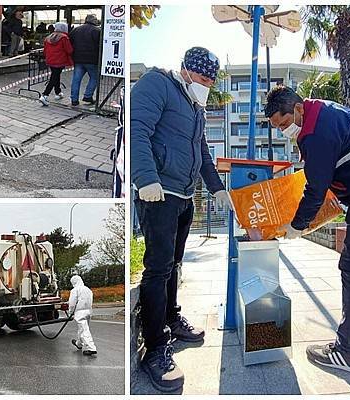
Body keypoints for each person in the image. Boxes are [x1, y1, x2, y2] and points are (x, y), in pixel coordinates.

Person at [264, 86, 350, 374]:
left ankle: (348, 352)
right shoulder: (323, 108)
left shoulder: (314, 132)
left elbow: (316, 188)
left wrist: (297, 225)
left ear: (297, 109)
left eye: (283, 124)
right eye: (277, 128)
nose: (284, 131)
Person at [131, 46, 231, 392]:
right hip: (158, 194)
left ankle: (171, 317)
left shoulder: (195, 105)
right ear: (188, 70)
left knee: (173, 265)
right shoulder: (156, 85)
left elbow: (201, 152)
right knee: (157, 268)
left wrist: (217, 189)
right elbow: (137, 130)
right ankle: (156, 349)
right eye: (204, 78)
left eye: (211, 81)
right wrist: (145, 178)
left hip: (184, 196)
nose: (207, 85)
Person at [68, 14, 101, 107]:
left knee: (76, 79)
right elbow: (101, 45)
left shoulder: (76, 30)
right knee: (94, 78)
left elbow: (69, 42)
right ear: (94, 21)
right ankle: (88, 96)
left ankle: (74, 100)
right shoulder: (97, 31)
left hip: (78, 59)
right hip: (92, 60)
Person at [39, 22, 73, 106]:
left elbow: (45, 51)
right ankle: (44, 95)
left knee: (56, 75)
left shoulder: (48, 37)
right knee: (54, 77)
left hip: (50, 60)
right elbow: (69, 50)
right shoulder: (64, 38)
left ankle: (58, 92)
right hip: (60, 61)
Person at [68, 275, 97, 356]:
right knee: (82, 329)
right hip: (88, 311)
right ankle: (79, 344)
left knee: (84, 330)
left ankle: (91, 348)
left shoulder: (75, 290)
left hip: (80, 312)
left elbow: (72, 303)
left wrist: (71, 312)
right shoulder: (88, 289)